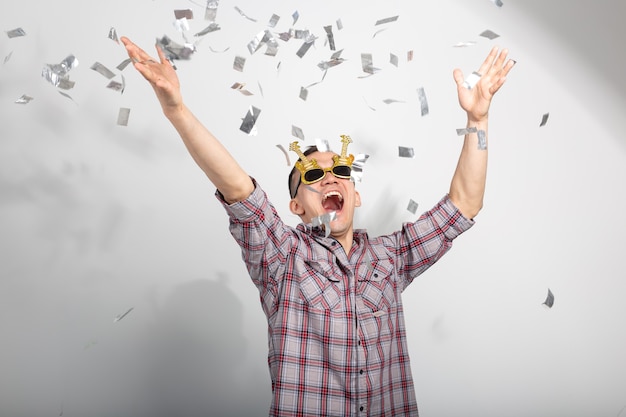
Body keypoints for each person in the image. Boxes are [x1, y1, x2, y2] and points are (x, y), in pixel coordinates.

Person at [121, 35, 514, 416]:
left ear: (355, 194)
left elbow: (464, 204)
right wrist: (177, 110)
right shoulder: (282, 256)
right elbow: (239, 189)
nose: (329, 179)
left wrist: (477, 120)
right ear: (297, 207)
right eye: (312, 176)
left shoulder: (391, 257)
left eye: (341, 171)